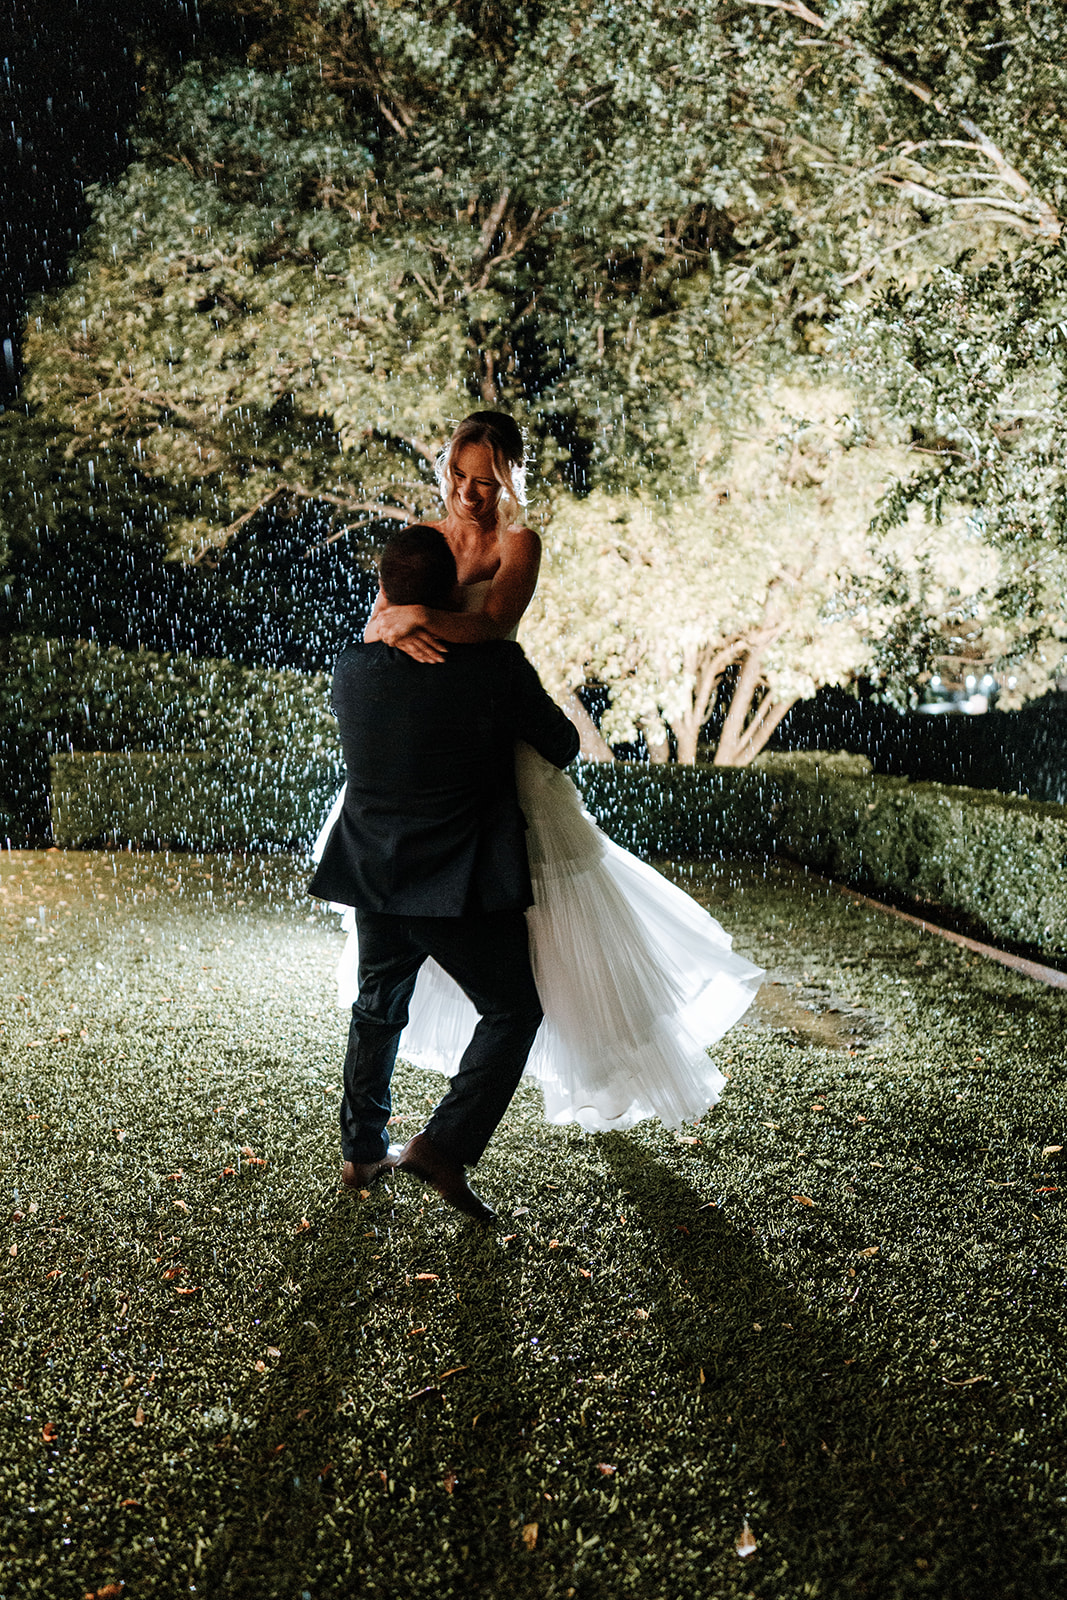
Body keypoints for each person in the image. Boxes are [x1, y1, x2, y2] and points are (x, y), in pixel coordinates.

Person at [315, 409, 764, 1137]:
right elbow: (380, 628)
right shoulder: (423, 539)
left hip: (490, 730)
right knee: (410, 961)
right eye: (459, 476)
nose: (469, 494)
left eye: (486, 482)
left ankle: (594, 1055)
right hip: (430, 738)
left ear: (511, 481)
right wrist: (397, 624)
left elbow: (491, 625)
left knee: (548, 910)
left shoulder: (518, 544)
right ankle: (401, 1128)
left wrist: (412, 621)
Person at [309, 522, 580, 1223]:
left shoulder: (350, 667)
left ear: (385, 591)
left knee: (376, 1007)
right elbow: (562, 743)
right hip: (458, 882)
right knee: (512, 1011)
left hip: (372, 872)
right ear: (456, 594)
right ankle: (442, 1145)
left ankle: (361, 1150)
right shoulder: (495, 666)